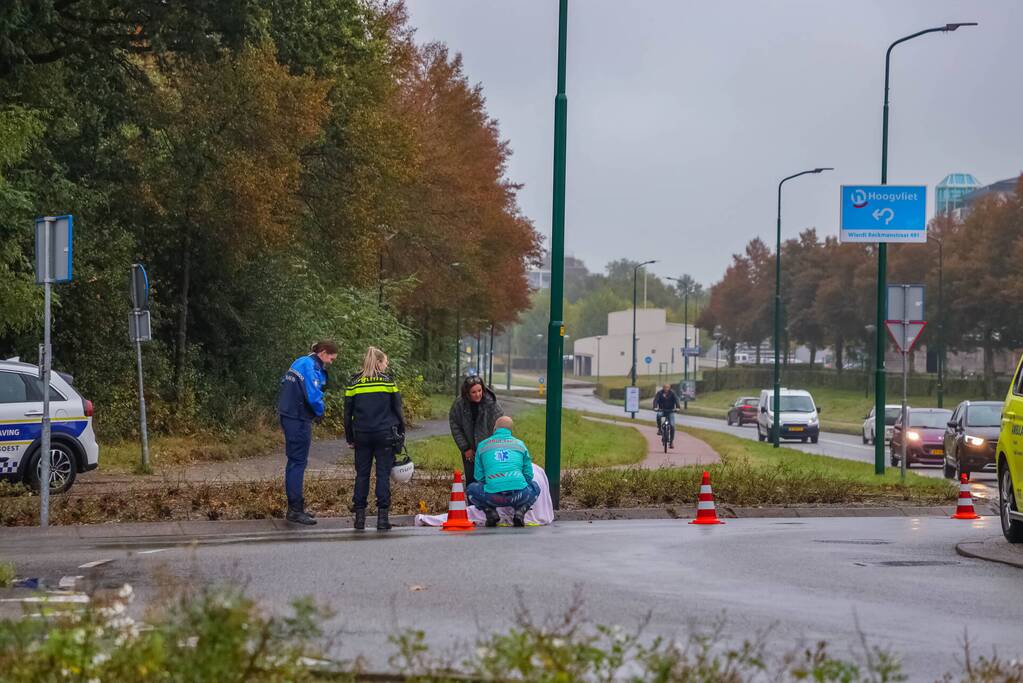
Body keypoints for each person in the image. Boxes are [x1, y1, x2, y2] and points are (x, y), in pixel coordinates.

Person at [344, 346, 405, 531]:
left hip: (362, 434)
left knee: (361, 475)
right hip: (384, 434)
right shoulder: (388, 383)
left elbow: (347, 413)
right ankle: (382, 518)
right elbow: (398, 409)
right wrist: (401, 432)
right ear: (378, 362)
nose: (386, 366)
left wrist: (350, 437)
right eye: (385, 362)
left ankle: (360, 518)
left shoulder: (354, 383)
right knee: (382, 476)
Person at [278, 340, 338, 525]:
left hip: (288, 414)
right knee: (298, 462)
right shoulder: (311, 367)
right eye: (331, 358)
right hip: (298, 418)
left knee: (293, 462)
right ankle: (295, 510)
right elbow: (313, 395)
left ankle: (295, 507)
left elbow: (284, 383)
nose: (331, 362)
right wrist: (320, 412)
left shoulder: (299, 361)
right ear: (323, 353)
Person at [465, 416, 540, 528]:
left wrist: (494, 482)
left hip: (492, 497)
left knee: (471, 489)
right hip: (519, 495)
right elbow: (529, 476)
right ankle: (520, 511)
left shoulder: (482, 446)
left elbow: (479, 477)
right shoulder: (520, 445)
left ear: (494, 429)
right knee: (535, 487)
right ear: (510, 431)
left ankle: (490, 512)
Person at [449, 375, 504, 484]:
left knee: (490, 479)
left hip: (490, 449)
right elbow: (455, 426)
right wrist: (465, 448)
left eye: (479, 391)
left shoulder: (491, 403)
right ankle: (471, 500)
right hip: (470, 451)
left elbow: (501, 424)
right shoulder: (459, 405)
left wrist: (494, 447)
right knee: (471, 479)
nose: (478, 394)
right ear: (467, 393)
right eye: (473, 392)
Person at [652, 383, 681, 449]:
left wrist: (678, 407)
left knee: (672, 426)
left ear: (669, 388)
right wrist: (655, 407)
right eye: (665, 387)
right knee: (658, 415)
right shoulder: (659, 393)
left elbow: (676, 400)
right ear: (663, 387)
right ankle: (659, 429)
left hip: (670, 411)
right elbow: (655, 400)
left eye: (667, 387)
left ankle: (671, 442)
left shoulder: (672, 393)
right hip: (662, 410)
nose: (666, 389)